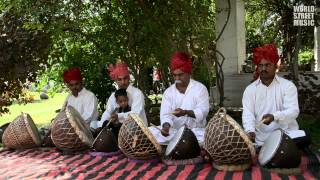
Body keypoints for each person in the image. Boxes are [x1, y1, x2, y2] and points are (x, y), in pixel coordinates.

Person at [242, 44, 311, 149]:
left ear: (275, 66)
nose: (263, 68)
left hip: (286, 135)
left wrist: (274, 116)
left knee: (305, 136)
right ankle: (268, 148)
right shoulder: (250, 90)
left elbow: (293, 111)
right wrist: (250, 131)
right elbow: (248, 114)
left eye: (267, 65)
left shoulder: (288, 86)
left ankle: (270, 149)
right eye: (260, 65)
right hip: (261, 138)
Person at [152, 51, 209, 145]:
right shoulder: (168, 93)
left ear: (188, 73)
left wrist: (185, 112)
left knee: (205, 136)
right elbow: (165, 115)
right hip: (175, 132)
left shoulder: (200, 89)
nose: (177, 78)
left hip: (196, 133)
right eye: (175, 75)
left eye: (180, 74)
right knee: (151, 131)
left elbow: (203, 112)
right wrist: (166, 127)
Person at [91, 62, 147, 131]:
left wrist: (119, 116)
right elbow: (108, 112)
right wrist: (101, 125)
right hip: (120, 130)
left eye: (125, 78)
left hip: (137, 130)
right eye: (119, 79)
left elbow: (136, 115)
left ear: (129, 78)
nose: (123, 82)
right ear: (116, 81)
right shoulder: (113, 96)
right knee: (93, 124)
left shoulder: (137, 93)